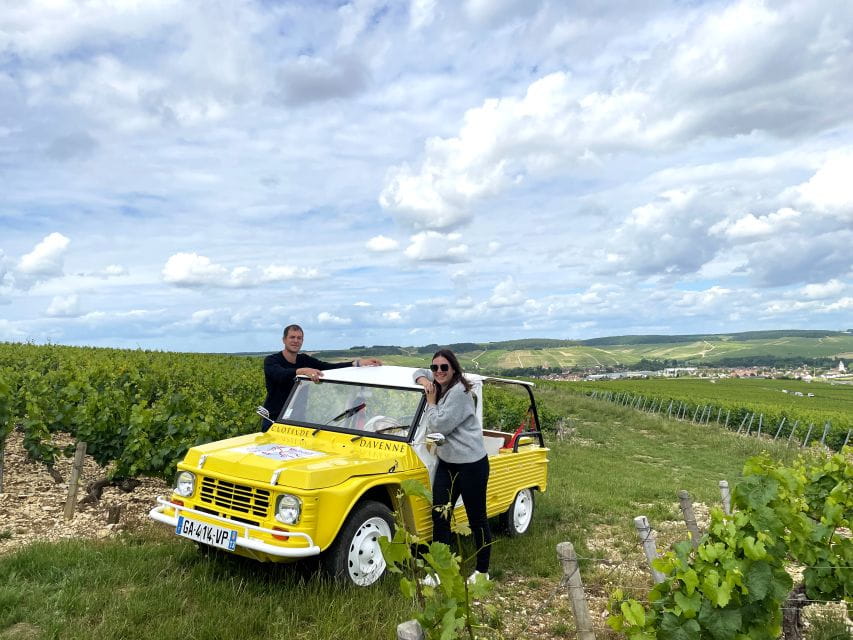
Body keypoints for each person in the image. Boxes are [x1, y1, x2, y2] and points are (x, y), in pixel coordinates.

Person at [414, 348, 491, 585]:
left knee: (476, 517)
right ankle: (439, 571)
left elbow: (438, 425)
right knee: (440, 515)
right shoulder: (439, 381)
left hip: (471, 465)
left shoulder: (459, 392)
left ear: (454, 369)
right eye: (435, 367)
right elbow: (417, 371)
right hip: (448, 463)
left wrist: (431, 401)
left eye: (444, 367)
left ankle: (482, 572)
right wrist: (425, 379)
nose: (438, 371)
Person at [261, 324, 381, 430]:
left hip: (297, 421)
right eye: (292, 337)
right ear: (284, 340)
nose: (296, 341)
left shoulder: (304, 359)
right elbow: (279, 374)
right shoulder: (271, 360)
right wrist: (301, 371)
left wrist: (356, 363)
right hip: (274, 420)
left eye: (299, 338)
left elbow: (328, 367)